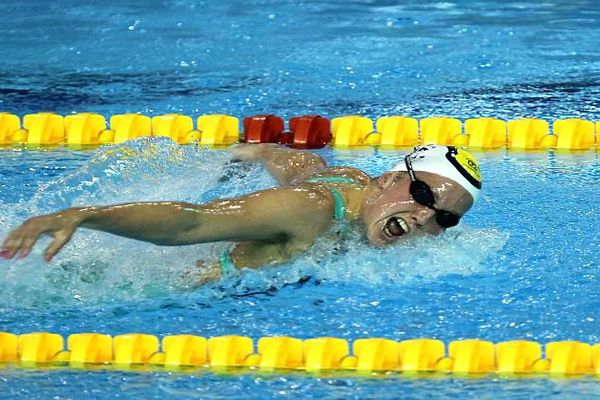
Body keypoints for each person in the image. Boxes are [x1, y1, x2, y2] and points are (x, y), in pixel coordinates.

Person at [0, 143, 482, 284]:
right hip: (176, 287)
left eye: (445, 218)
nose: (426, 218)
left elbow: (305, 165)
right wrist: (85, 215)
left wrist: (258, 151)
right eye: (423, 196)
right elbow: (193, 221)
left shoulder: (355, 186)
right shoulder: (309, 209)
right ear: (386, 181)